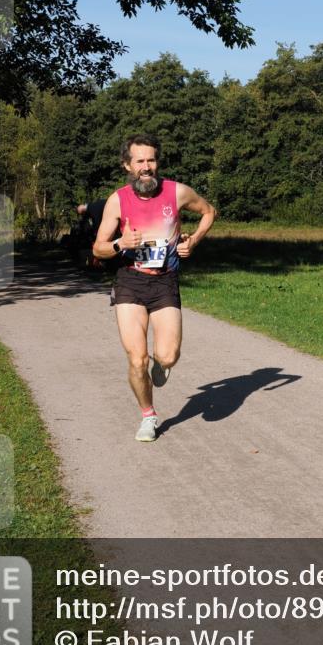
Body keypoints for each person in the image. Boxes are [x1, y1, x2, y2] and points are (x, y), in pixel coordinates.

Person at [93, 134, 216, 442]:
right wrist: (120, 243)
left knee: (169, 355)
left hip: (164, 281)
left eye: (151, 160)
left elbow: (209, 211)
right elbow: (98, 248)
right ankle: (148, 416)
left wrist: (193, 241)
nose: (146, 167)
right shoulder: (117, 200)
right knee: (137, 359)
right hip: (130, 281)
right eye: (140, 161)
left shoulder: (177, 192)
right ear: (127, 165)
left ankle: (164, 365)